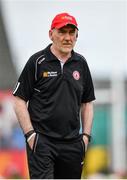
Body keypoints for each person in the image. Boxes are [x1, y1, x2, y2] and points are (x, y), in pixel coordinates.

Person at [13, 12, 95, 179]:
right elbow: (19, 100)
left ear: (76, 36)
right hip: (42, 142)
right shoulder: (37, 62)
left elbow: (87, 103)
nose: (67, 37)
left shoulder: (81, 64)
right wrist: (30, 135)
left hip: (72, 144)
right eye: (62, 32)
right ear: (51, 34)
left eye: (72, 33)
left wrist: (85, 138)